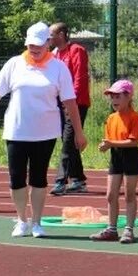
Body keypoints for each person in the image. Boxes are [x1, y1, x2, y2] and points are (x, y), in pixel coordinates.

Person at [0, 22, 86, 238]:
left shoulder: (58, 67)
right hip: (17, 131)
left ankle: (37, 222)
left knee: (39, 178)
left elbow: (70, 102)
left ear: (48, 43)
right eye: (31, 45)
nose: (34, 49)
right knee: (16, 178)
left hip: (45, 132)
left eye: (39, 45)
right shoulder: (14, 64)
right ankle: (22, 220)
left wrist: (79, 133)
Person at [89, 80, 138, 244]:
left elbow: (134, 142)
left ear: (129, 96)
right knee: (111, 195)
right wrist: (105, 146)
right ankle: (111, 229)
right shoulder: (111, 118)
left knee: (129, 194)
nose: (114, 100)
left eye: (118, 96)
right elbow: (109, 140)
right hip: (116, 156)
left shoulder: (135, 117)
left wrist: (111, 143)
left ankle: (128, 230)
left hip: (131, 157)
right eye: (112, 96)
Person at [49, 22, 91, 195]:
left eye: (51, 34)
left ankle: (60, 181)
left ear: (61, 34)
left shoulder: (76, 50)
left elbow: (80, 78)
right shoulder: (53, 54)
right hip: (59, 104)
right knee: (70, 140)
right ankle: (79, 179)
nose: (48, 37)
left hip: (76, 103)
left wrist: (69, 102)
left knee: (68, 140)